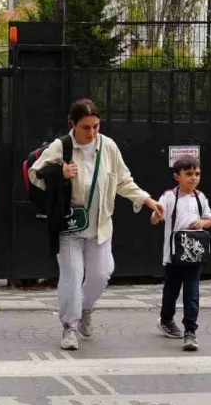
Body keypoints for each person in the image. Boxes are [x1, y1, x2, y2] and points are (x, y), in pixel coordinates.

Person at [28, 99, 164, 351]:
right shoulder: (62, 146)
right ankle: (69, 326)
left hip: (100, 225)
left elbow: (123, 180)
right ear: (73, 124)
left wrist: (146, 199)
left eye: (96, 127)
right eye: (85, 127)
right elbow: (34, 174)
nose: (91, 133)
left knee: (101, 274)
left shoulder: (108, 147)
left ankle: (85, 308)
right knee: (72, 276)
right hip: (69, 226)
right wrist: (60, 173)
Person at [152, 156, 211, 352]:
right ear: (176, 176)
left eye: (197, 174)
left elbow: (209, 219)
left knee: (192, 293)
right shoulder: (169, 197)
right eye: (188, 174)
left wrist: (202, 223)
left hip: (194, 255)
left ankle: (190, 332)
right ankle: (166, 319)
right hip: (173, 256)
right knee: (171, 291)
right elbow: (155, 219)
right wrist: (157, 214)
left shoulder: (200, 197)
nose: (194, 178)